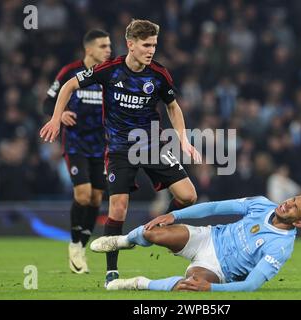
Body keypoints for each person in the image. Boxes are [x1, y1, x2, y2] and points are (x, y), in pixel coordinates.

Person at [40, 20, 201, 286]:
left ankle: (160, 228)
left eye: (154, 45)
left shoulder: (159, 74)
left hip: (151, 146)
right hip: (119, 150)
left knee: (188, 195)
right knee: (118, 208)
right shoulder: (109, 70)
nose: (151, 50)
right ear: (131, 44)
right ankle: (111, 272)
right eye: (146, 45)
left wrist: (183, 139)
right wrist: (56, 118)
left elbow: (173, 106)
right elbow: (69, 85)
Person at [90, 194, 301, 292]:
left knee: (190, 286)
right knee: (154, 232)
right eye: (291, 199)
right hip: (208, 238)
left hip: (218, 269)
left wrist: (211, 288)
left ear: (298, 223)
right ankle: (123, 240)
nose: (287, 204)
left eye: (294, 207)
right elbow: (214, 208)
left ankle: (136, 284)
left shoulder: (280, 247)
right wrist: (175, 216)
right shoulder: (261, 204)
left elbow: (251, 285)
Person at [42, 29, 111, 274]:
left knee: (96, 199)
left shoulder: (109, 74)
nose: (108, 50)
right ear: (89, 49)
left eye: (109, 46)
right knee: (83, 194)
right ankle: (74, 246)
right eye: (103, 46)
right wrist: (60, 114)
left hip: (101, 146)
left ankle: (81, 247)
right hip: (76, 144)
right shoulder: (70, 72)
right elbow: (47, 102)